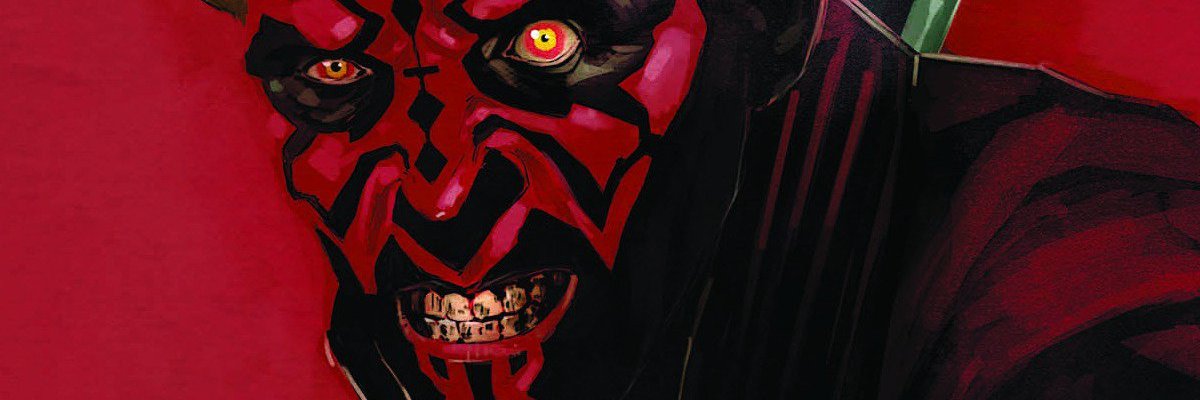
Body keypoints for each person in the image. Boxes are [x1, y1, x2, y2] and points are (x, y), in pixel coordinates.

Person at [204, 0, 1200, 398]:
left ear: (768, 21)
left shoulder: (1084, 240)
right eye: (334, 74)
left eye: (548, 47)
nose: (443, 191)